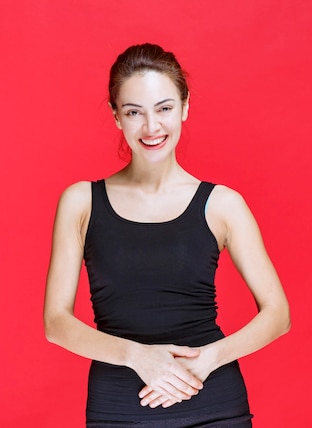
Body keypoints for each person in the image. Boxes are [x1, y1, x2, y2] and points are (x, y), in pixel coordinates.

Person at [43, 43, 290, 427]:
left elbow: (278, 314)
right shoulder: (81, 202)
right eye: (134, 112)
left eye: (164, 108)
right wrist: (138, 357)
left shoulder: (223, 204)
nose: (152, 127)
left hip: (211, 400)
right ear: (116, 117)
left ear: (185, 107)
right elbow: (56, 322)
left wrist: (206, 361)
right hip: (119, 408)